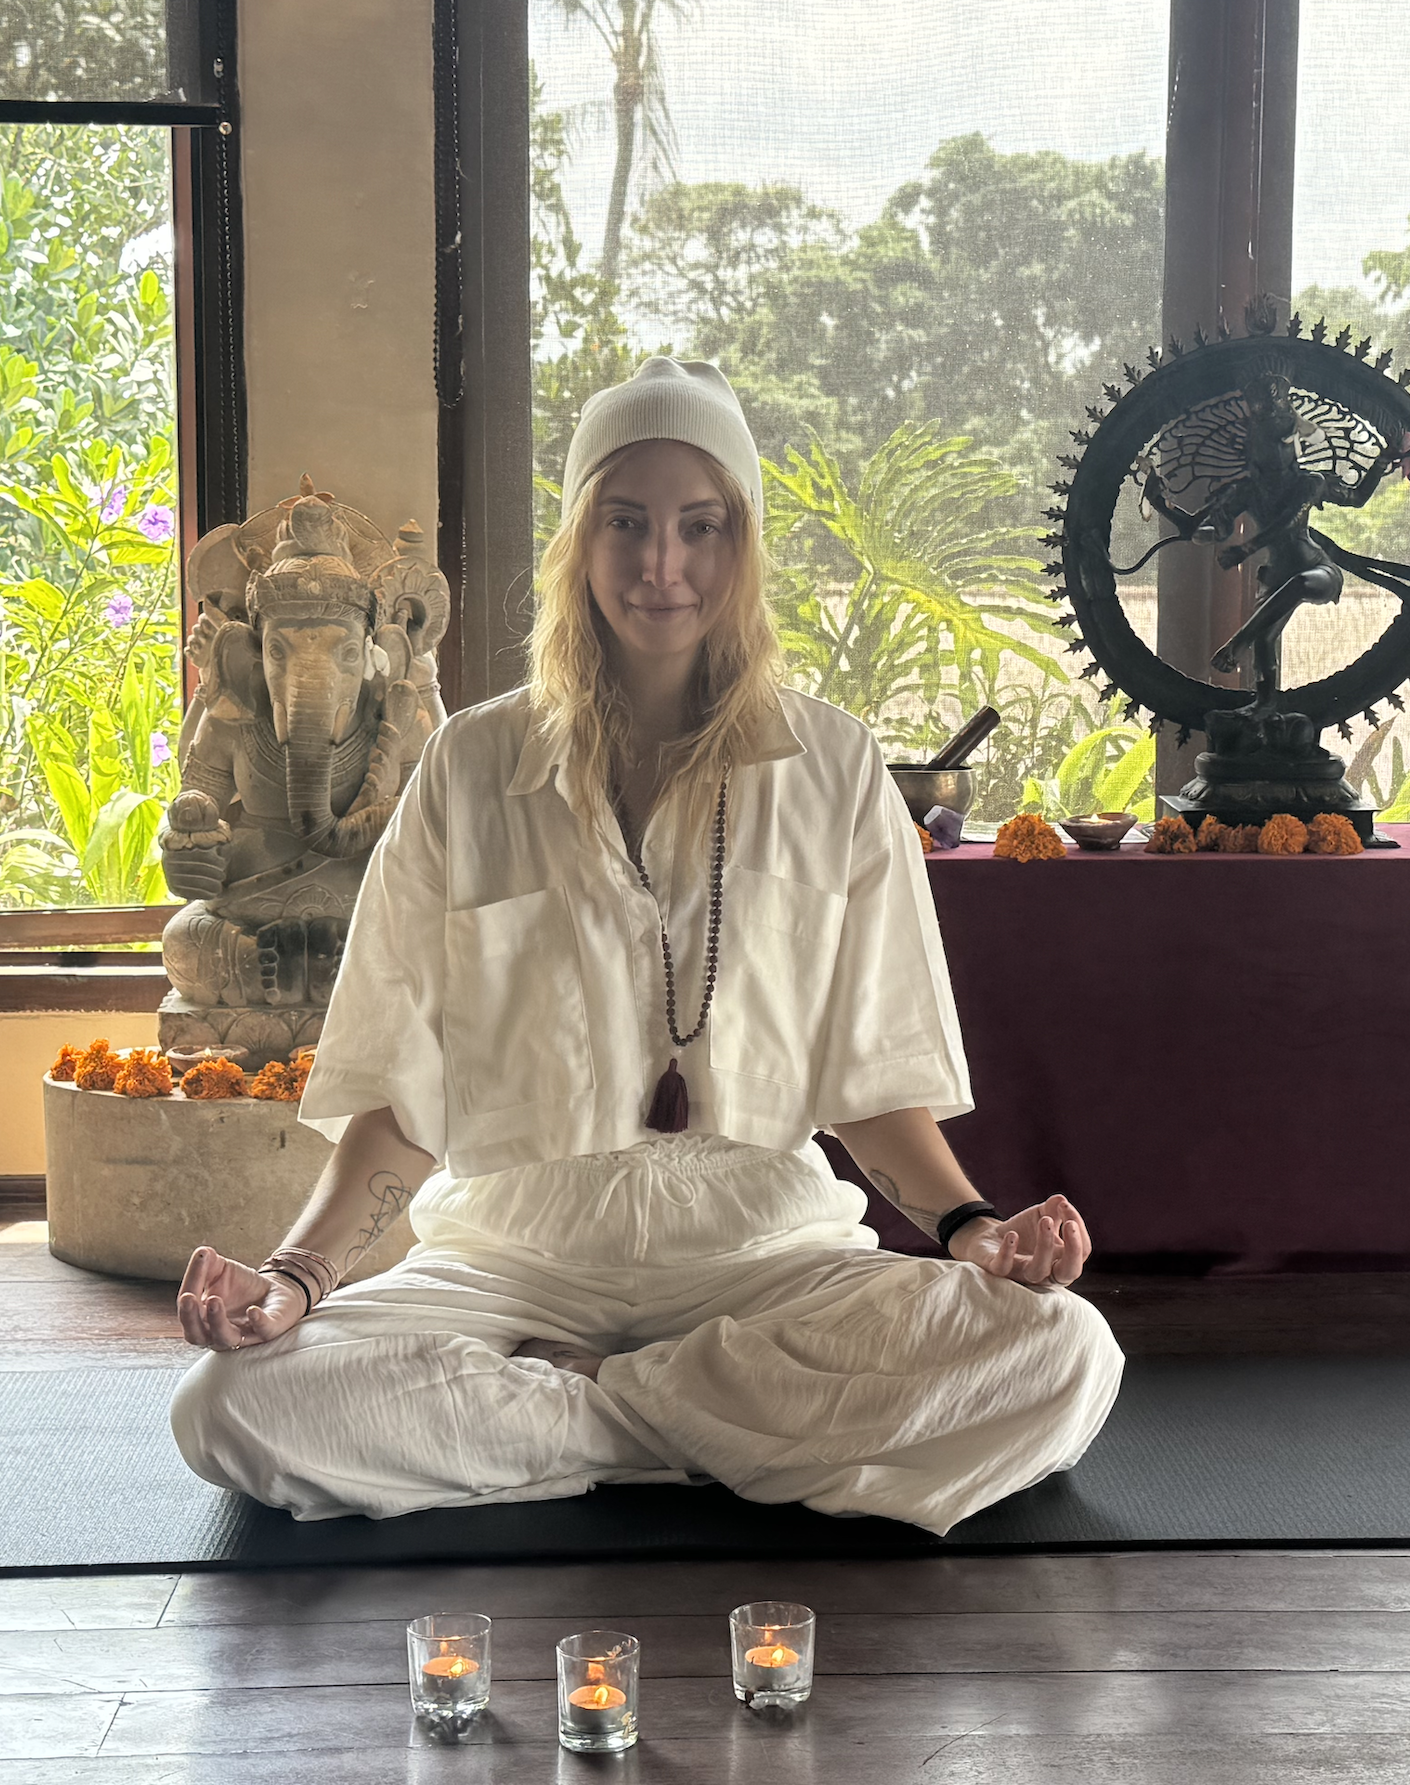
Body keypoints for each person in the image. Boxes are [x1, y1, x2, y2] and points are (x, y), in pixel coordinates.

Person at [170, 358, 1122, 1536]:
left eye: (698, 526)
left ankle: (587, 1406)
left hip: (761, 1258)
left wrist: (977, 1230)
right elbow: (400, 1104)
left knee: (1063, 1357)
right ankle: (715, 1428)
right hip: (516, 1260)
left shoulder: (832, 769)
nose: (661, 564)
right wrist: (291, 1281)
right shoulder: (470, 766)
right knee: (231, 1406)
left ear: (742, 545)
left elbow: (873, 1089)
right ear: (580, 540)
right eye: (626, 523)